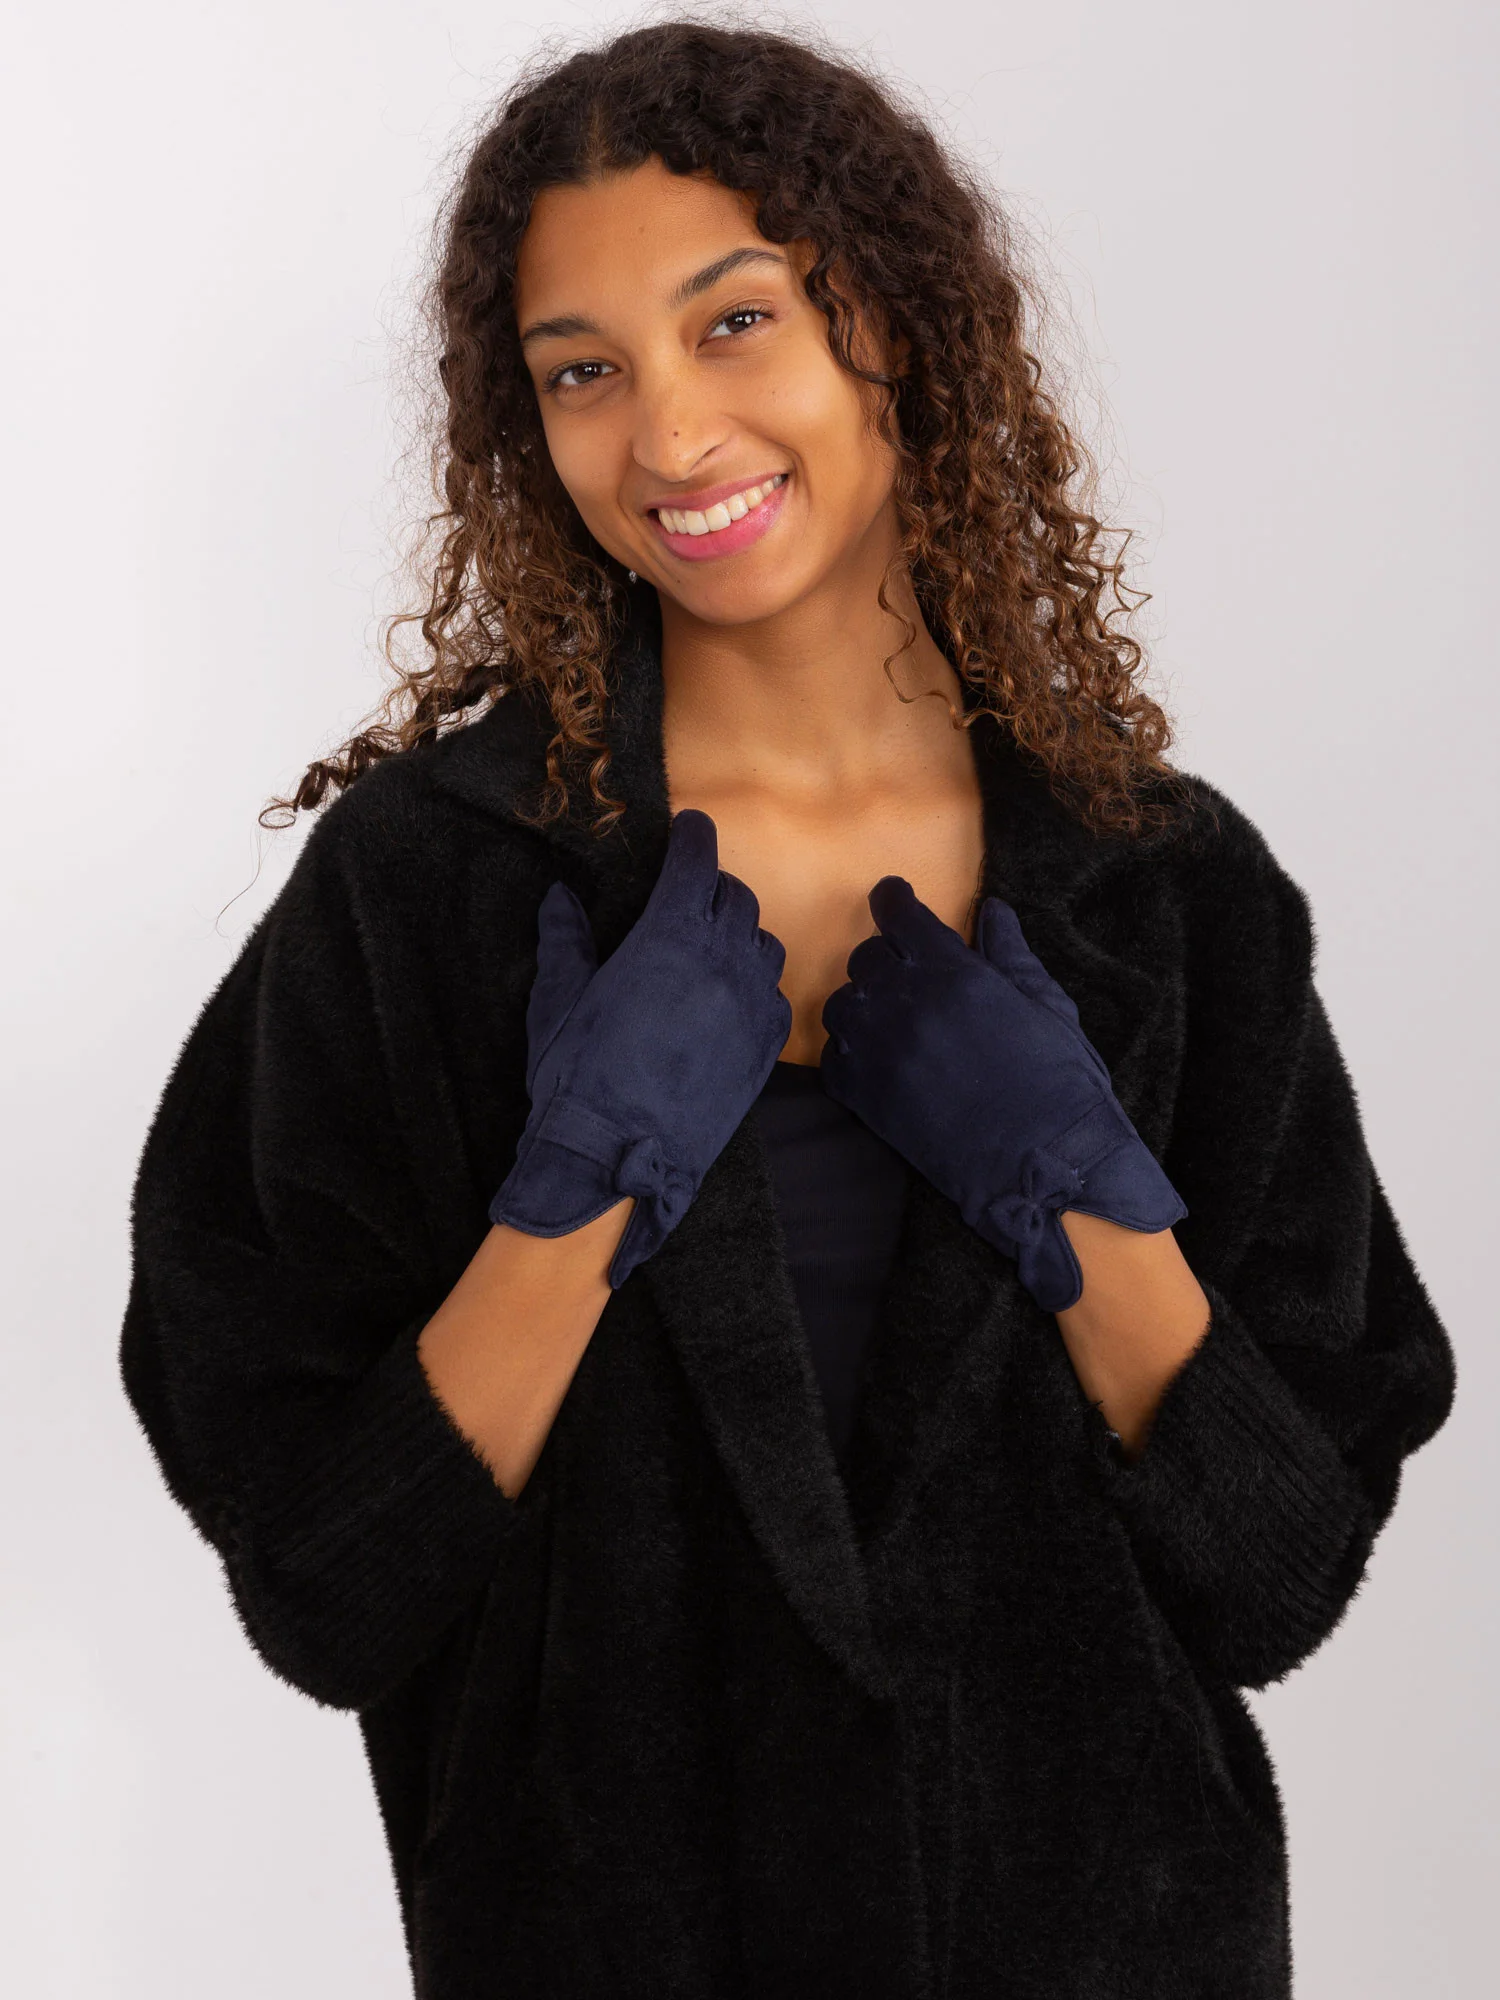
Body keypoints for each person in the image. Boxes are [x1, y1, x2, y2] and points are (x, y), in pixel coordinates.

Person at [119, 21, 1457, 1998]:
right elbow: (328, 1585)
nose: (668, 436)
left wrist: (1073, 1191)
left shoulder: (1166, 892)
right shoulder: (432, 893)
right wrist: (576, 1193)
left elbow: (1279, 1577)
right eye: (583, 371)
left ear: (890, 319)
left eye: (732, 322)